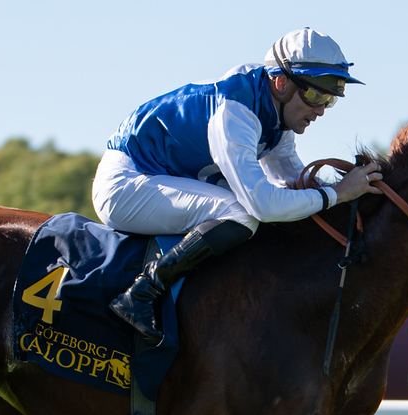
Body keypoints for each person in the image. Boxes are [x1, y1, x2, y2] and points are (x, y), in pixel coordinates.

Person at [94, 27, 381, 345]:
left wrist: (353, 190)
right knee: (241, 214)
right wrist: (337, 194)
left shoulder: (274, 111)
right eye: (315, 95)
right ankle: (141, 293)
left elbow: (292, 181)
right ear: (281, 83)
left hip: (155, 178)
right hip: (125, 184)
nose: (321, 110)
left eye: (330, 99)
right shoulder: (236, 112)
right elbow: (263, 205)